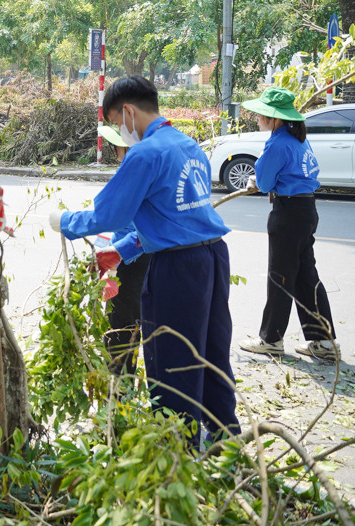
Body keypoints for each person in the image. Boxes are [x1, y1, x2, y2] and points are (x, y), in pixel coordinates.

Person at [48, 75, 237, 446]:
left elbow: (109, 215)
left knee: (173, 360)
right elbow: (173, 218)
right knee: (211, 351)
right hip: (212, 258)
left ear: (129, 112)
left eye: (118, 123)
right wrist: (121, 250)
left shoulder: (145, 153)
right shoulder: (187, 146)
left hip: (178, 270)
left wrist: (65, 221)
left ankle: (174, 450)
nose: (121, 132)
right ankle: (224, 441)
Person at [237, 87, 338, 361]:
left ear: (274, 118)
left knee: (280, 277)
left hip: (288, 213)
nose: (257, 118)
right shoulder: (299, 138)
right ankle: (324, 342)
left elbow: (266, 182)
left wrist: (256, 180)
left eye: (261, 115)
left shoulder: (277, 143)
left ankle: (270, 340)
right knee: (307, 277)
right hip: (306, 210)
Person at [92, 124, 153, 377]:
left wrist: (111, 255)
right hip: (131, 256)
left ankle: (118, 387)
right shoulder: (145, 171)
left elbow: (113, 219)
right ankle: (123, 379)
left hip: (128, 261)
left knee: (121, 325)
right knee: (130, 323)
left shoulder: (132, 177)